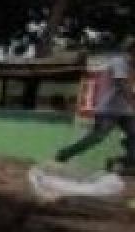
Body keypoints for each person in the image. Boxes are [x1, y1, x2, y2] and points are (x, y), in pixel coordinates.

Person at [56, 38, 135, 168]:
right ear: (131, 51)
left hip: (127, 110)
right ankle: (63, 154)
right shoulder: (118, 62)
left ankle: (123, 163)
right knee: (97, 136)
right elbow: (122, 85)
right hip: (108, 109)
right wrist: (133, 102)